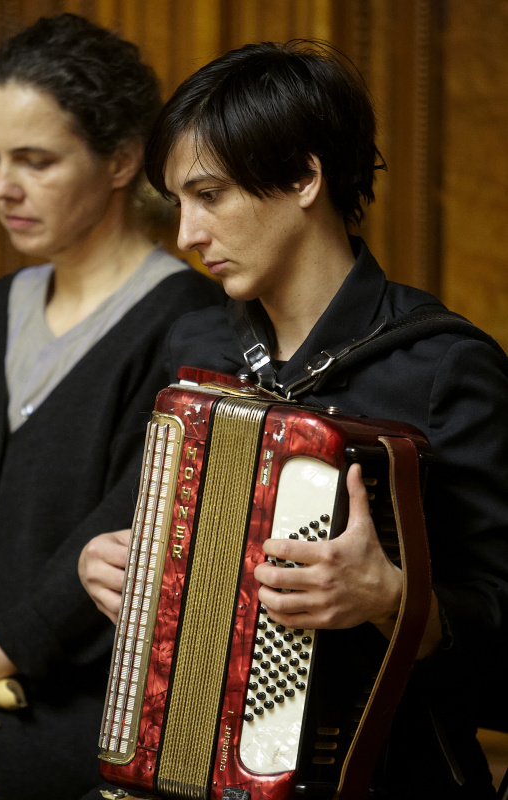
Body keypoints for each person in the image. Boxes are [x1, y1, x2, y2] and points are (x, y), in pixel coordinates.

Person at [79, 41, 508, 799]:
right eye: (178, 202)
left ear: (305, 177)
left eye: (209, 196)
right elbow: (138, 535)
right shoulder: (196, 346)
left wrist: (392, 601)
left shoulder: (445, 368)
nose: (186, 235)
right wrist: (113, 564)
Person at [0, 13, 222, 800]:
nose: (3, 187)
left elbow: (127, 529)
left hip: (81, 736)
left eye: (36, 161)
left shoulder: (191, 325)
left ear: (120, 161)